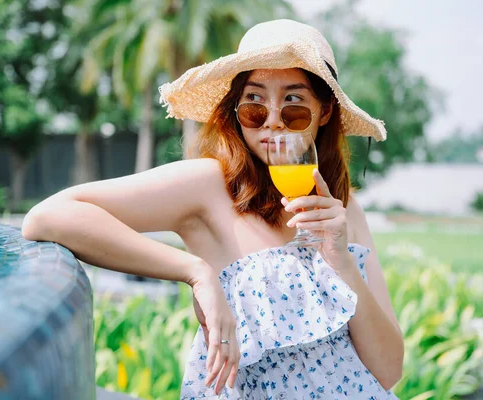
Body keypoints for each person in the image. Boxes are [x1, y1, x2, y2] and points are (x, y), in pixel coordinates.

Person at [22, 19, 403, 399]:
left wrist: (341, 260)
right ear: (237, 111)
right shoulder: (209, 185)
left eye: (293, 104)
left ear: (323, 113)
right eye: (255, 103)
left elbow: (387, 372)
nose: (272, 121)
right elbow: (49, 216)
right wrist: (195, 271)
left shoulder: (345, 210)